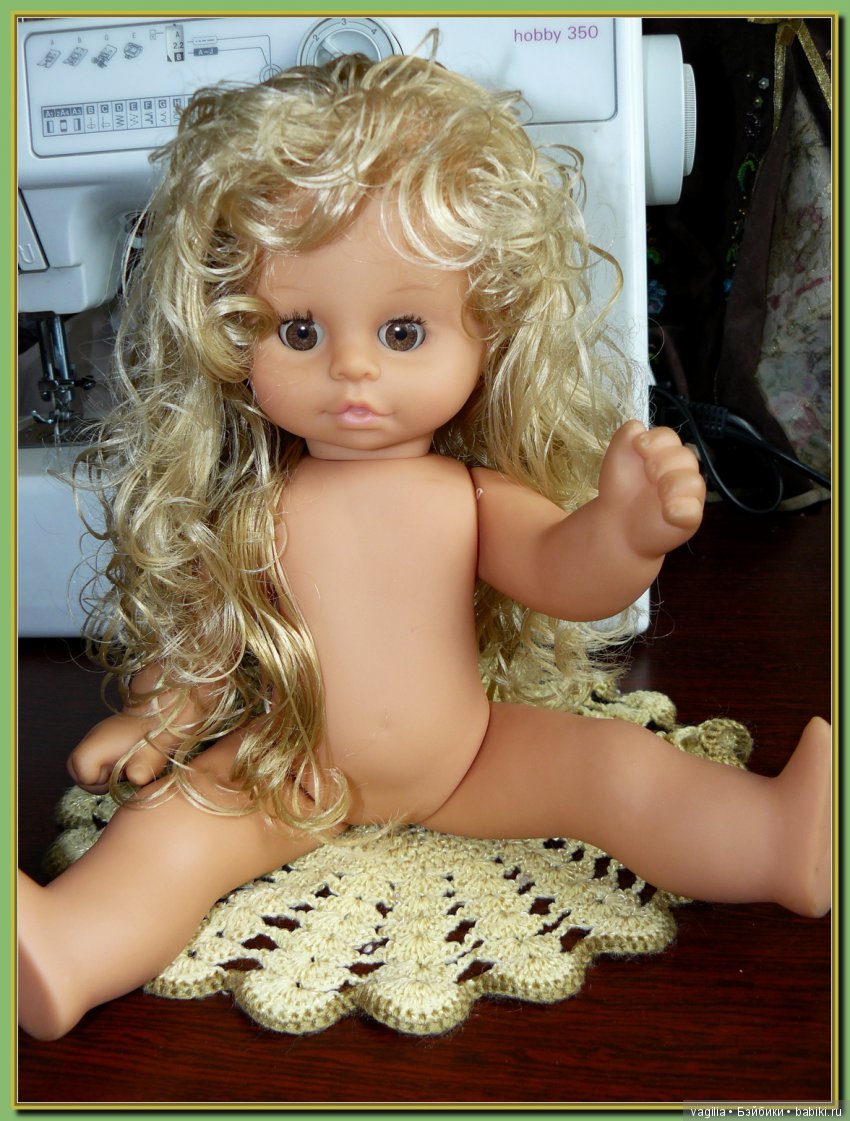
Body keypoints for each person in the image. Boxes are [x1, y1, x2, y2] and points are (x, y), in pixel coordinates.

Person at [17, 48, 831, 1042]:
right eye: (301, 332)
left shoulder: (468, 496)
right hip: (298, 770)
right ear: (232, 332)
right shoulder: (259, 510)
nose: (352, 368)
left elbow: (563, 572)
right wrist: (156, 717)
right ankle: (64, 950)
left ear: (488, 330)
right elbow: (212, 640)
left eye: (403, 332)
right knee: (171, 830)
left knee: (618, 770)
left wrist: (623, 533)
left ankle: (778, 841)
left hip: (471, 754)